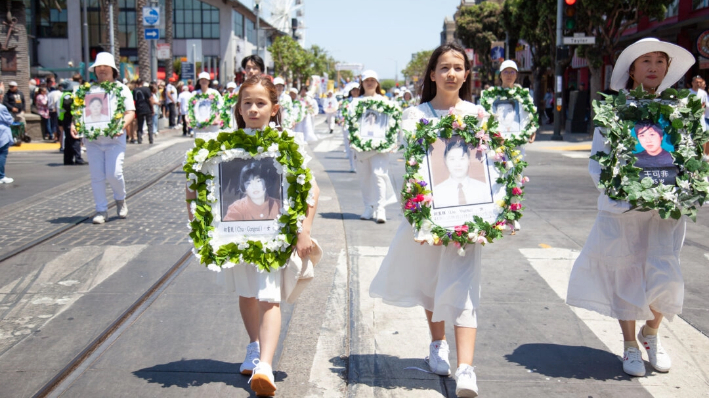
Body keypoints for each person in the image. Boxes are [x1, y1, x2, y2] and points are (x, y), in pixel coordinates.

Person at [566, 38, 696, 378]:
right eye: (646, 61)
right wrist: (621, 192)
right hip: (624, 211)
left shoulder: (680, 110)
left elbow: (691, 157)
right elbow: (598, 161)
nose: (653, 67)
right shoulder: (615, 109)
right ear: (633, 70)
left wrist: (691, 186)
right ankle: (629, 345)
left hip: (666, 211)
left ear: (666, 69)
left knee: (664, 275)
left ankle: (651, 332)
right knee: (627, 272)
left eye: (659, 61)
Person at [186, 75, 320, 397]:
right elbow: (194, 186)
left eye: (261, 103)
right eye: (247, 103)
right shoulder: (223, 147)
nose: (254, 109)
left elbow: (311, 190)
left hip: (275, 239)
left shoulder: (287, 142)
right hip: (239, 239)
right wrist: (198, 221)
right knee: (247, 294)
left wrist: (304, 231)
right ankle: (254, 346)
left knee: (269, 297)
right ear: (239, 108)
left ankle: (266, 366)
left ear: (274, 108)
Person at [369, 43, 486, 398]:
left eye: (458, 67)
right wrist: (419, 213)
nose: (452, 73)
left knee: (466, 289)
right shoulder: (414, 115)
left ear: (466, 74)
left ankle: (466, 369)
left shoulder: (478, 114)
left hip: (468, 217)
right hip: (429, 217)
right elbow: (411, 169)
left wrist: (487, 214)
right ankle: (438, 344)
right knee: (433, 284)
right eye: (445, 67)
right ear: (432, 74)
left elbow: (489, 165)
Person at [75, 52, 136, 224]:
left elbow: (130, 112)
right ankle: (101, 210)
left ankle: (120, 198)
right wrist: (76, 124)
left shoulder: (121, 89)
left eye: (105, 67)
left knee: (114, 173)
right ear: (95, 70)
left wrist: (121, 126)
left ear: (112, 70)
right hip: (93, 141)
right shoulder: (87, 90)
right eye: (98, 67)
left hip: (114, 141)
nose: (102, 70)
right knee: (97, 176)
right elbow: (79, 113)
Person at [349, 70, 398, 223]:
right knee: (364, 176)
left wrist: (391, 141)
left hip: (380, 147)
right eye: (366, 80)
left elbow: (392, 122)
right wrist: (354, 140)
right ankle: (368, 207)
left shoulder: (386, 102)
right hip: (362, 147)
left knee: (379, 175)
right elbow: (351, 123)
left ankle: (380, 208)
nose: (369, 82)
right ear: (362, 84)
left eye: (372, 80)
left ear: (377, 83)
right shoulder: (355, 102)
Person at [432, 138, 491, 207]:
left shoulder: (483, 189)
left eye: (462, 158)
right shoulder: (437, 193)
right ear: (446, 162)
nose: (458, 164)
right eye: (452, 159)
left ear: (469, 160)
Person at [190, 72, 223, 140]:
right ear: (199, 82)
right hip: (199, 126)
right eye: (202, 79)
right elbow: (189, 109)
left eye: (206, 80)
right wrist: (190, 119)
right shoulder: (195, 94)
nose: (204, 81)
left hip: (212, 126)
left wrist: (216, 119)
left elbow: (221, 107)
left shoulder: (214, 93)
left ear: (209, 82)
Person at [58, 81, 85, 165]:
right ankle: (78, 159)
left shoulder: (65, 94)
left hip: (66, 119)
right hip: (69, 119)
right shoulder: (68, 95)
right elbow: (68, 106)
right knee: (74, 139)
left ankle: (68, 159)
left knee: (69, 141)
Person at [133, 79, 154, 144]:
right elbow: (150, 99)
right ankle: (151, 139)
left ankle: (139, 139)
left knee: (140, 124)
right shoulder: (146, 89)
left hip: (139, 109)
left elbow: (135, 100)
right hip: (147, 108)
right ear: (142, 82)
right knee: (149, 124)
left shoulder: (135, 90)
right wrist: (152, 108)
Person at [0, 101, 14, 183]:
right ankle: (1, 176)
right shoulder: (2, 107)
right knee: (2, 154)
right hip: (2, 133)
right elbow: (9, 120)